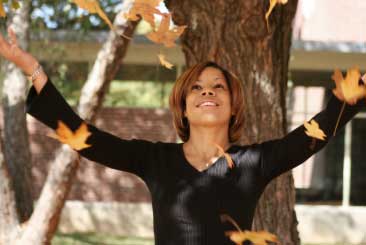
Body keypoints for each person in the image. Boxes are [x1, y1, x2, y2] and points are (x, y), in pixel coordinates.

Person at [0, 26, 365, 245]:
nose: (208, 92)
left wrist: (356, 91)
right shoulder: (154, 159)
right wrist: (33, 70)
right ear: (183, 107)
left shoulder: (254, 163)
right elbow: (86, 138)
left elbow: (310, 136)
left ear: (234, 107)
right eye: (197, 88)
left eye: (218, 87)